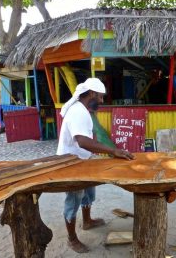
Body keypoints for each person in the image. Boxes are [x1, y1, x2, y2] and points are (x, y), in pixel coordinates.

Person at [57, 78, 134, 253]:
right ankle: (71, 239)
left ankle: (87, 221)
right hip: (71, 162)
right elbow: (82, 141)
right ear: (91, 93)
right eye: (100, 97)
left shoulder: (84, 110)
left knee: (89, 191)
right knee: (74, 199)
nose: (101, 100)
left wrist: (101, 150)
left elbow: (89, 137)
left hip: (83, 159)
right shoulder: (78, 111)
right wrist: (113, 151)